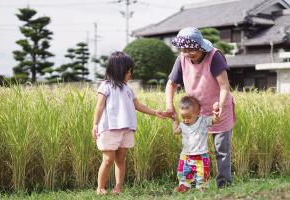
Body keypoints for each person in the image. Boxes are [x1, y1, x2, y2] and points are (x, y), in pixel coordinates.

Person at [165, 27, 236, 188]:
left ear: (200, 46)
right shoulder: (182, 58)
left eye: (191, 49)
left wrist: (221, 105)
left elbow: (224, 86)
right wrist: (170, 106)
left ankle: (224, 184)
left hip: (219, 109)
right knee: (194, 149)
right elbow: (171, 84)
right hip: (194, 113)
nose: (188, 53)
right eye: (184, 49)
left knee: (221, 150)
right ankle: (196, 181)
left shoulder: (214, 57)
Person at [92, 51, 166, 195]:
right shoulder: (106, 86)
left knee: (121, 159)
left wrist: (155, 112)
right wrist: (95, 124)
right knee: (108, 159)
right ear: (118, 71)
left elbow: (138, 106)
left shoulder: (128, 89)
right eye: (128, 72)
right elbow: (99, 106)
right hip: (109, 128)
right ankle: (100, 188)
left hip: (126, 129)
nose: (130, 75)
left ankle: (118, 188)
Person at [172, 96, 220, 192]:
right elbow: (176, 131)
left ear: (197, 113)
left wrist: (216, 114)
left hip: (201, 155)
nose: (185, 120)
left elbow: (215, 121)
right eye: (183, 117)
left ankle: (202, 187)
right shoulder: (182, 125)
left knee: (202, 173)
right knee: (183, 172)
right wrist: (175, 120)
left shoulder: (203, 121)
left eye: (188, 117)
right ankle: (184, 186)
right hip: (185, 155)